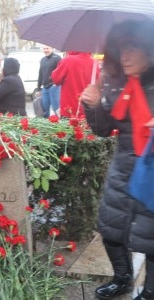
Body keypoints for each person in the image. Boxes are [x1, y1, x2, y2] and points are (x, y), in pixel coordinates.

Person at [81, 20, 154, 300]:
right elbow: (102, 129)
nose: (125, 55)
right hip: (124, 165)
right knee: (111, 228)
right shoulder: (116, 83)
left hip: (152, 168)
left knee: (151, 238)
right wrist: (94, 104)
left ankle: (149, 291)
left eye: (132, 47)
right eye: (122, 47)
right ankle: (122, 278)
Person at [51, 52, 98, 118]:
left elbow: (55, 79)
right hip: (87, 111)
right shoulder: (94, 64)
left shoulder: (68, 60)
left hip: (69, 109)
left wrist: (62, 62)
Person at [37, 46, 61, 118]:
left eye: (47, 48)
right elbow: (40, 73)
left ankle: (61, 124)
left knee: (56, 107)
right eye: (44, 48)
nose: (46, 50)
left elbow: (60, 71)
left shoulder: (57, 58)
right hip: (45, 87)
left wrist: (56, 83)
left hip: (54, 86)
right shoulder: (43, 60)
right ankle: (45, 125)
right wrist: (38, 88)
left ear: (52, 48)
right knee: (44, 108)